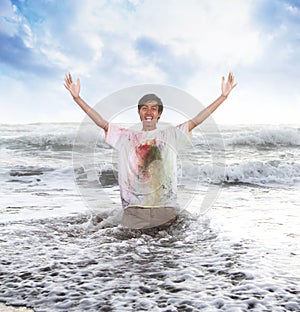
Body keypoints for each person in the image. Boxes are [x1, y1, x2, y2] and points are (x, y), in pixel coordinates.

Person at [64, 73, 237, 229]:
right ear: (139, 112)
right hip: (134, 211)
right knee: (131, 255)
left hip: (165, 209)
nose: (149, 112)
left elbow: (198, 119)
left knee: (165, 255)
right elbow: (101, 122)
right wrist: (77, 99)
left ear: (159, 114)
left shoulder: (171, 134)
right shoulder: (126, 136)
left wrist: (223, 97)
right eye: (144, 108)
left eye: (154, 108)